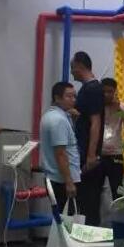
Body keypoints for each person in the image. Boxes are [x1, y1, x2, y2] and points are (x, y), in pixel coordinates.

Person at [70, 52, 105, 226]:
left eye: (72, 67)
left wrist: (91, 155)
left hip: (88, 157)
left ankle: (92, 238)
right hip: (82, 152)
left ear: (79, 65)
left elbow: (95, 122)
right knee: (83, 202)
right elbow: (86, 117)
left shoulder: (93, 89)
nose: (71, 72)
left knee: (89, 203)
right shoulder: (86, 89)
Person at [41, 82, 82, 211]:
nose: (73, 100)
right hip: (62, 180)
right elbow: (60, 153)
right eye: (69, 96)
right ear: (57, 98)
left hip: (56, 178)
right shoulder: (58, 120)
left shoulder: (51, 115)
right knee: (67, 219)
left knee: (60, 218)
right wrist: (69, 182)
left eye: (74, 96)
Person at [94, 78, 124, 205]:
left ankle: (119, 216)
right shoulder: (95, 106)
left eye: (110, 91)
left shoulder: (121, 106)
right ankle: (95, 217)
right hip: (97, 155)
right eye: (104, 91)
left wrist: (119, 110)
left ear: (115, 91)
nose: (106, 94)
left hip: (115, 155)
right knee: (95, 191)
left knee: (117, 191)